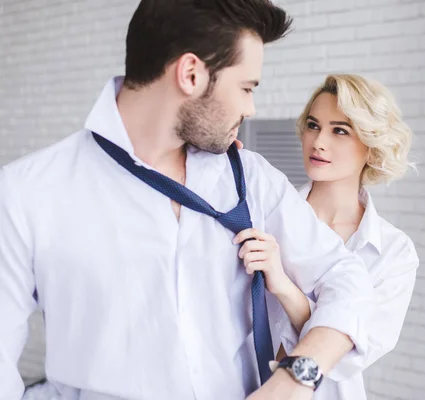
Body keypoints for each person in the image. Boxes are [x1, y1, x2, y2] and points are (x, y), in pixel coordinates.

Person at [0, 2, 376, 399]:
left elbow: (345, 279)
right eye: (247, 88)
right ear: (191, 74)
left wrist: (294, 378)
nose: (251, 107)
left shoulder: (250, 178)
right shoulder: (27, 193)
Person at [235, 74, 419, 400]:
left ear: (372, 147)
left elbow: (350, 354)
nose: (318, 141)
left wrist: (285, 288)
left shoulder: (394, 251)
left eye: (340, 131)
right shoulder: (264, 211)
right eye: (313, 125)